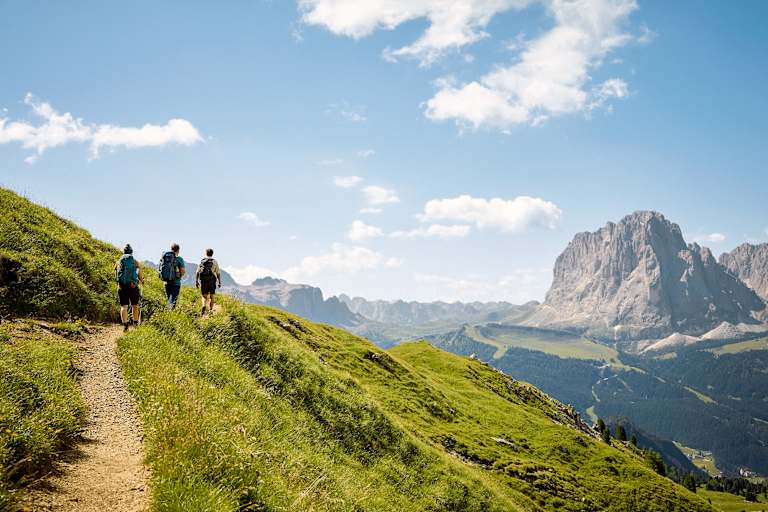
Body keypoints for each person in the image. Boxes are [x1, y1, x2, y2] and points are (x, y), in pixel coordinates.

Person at [115, 244, 144, 331]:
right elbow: (139, 274)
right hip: (133, 286)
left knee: (124, 306)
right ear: (131, 252)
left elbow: (116, 275)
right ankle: (135, 323)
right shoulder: (135, 262)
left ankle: (125, 324)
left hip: (121, 286)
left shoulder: (118, 262)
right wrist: (142, 281)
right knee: (134, 305)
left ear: (123, 252)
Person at [158, 243, 185, 310]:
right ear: (178, 250)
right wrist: (179, 275)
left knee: (168, 299)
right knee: (173, 301)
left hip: (166, 282)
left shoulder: (165, 257)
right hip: (175, 283)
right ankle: (170, 314)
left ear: (171, 249)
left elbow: (160, 268)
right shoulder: (179, 259)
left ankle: (167, 312)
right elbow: (183, 272)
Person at [196, 248, 222, 316]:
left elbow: (197, 272)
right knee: (212, 296)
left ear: (206, 253)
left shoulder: (202, 261)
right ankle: (210, 310)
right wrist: (219, 282)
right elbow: (218, 273)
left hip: (203, 280)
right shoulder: (214, 262)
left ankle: (204, 305)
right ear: (212, 254)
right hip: (211, 280)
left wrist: (197, 281)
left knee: (204, 296)